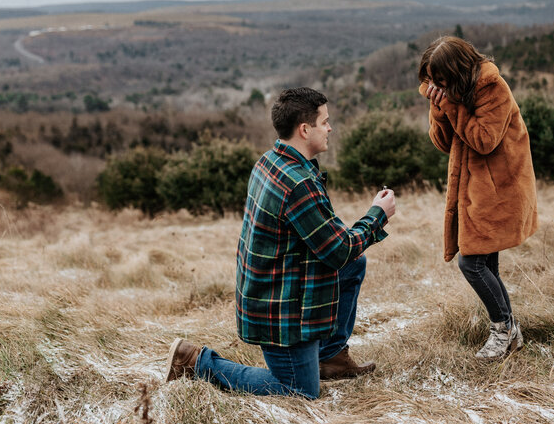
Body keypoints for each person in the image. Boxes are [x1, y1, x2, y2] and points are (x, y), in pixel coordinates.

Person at [165, 87, 396, 399]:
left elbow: (328, 240)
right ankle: (195, 362)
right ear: (304, 129)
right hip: (279, 310)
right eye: (324, 122)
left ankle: (329, 356)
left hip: (271, 290)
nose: (330, 128)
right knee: (299, 391)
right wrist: (377, 215)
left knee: (355, 263)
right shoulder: (297, 183)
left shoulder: (271, 161)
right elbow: (339, 250)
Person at [418, 36, 538, 359]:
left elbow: (484, 140)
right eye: (432, 82)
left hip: (501, 188)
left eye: (440, 81)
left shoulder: (491, 87)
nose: (436, 87)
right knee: (485, 262)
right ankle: (509, 334)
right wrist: (438, 108)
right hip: (475, 189)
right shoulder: (451, 95)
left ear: (456, 73)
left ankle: (503, 328)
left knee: (471, 262)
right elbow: (443, 142)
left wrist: (450, 105)